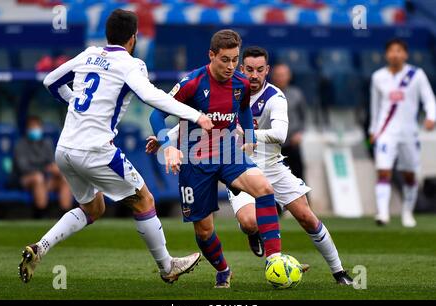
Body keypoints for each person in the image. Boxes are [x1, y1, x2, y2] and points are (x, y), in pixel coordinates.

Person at [18, 9, 214, 284]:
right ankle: (167, 266)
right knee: (144, 199)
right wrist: (196, 115)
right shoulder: (130, 64)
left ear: (107, 34)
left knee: (93, 209)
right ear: (133, 38)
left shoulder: (88, 54)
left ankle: (40, 247)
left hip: (65, 149)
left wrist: (74, 101)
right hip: (96, 151)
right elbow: (150, 96)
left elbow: (50, 81)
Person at [148, 30, 290, 289]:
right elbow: (156, 116)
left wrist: (248, 136)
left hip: (228, 153)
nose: (231, 66)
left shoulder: (241, 83)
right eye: (225, 59)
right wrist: (167, 146)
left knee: (265, 190)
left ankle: (274, 260)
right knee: (203, 231)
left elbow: (245, 108)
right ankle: (223, 270)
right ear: (211, 55)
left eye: (235, 59)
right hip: (194, 161)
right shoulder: (191, 83)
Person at [224, 46, 352, 285]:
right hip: (240, 167)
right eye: (249, 69)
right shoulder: (228, 93)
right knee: (250, 222)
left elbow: (281, 134)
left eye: (259, 70)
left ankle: (339, 272)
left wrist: (250, 134)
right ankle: (254, 233)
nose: (254, 75)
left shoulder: (275, 96)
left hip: (272, 165)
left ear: (267, 70)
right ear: (242, 69)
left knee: (307, 217)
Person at [369, 38, 435, 227]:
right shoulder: (378, 77)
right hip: (386, 132)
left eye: (399, 51)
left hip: (409, 132)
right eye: (391, 50)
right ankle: (382, 213)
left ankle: (407, 212)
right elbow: (375, 106)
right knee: (383, 171)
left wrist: (431, 116)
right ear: (386, 54)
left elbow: (429, 100)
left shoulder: (416, 75)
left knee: (410, 175)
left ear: (405, 54)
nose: (395, 54)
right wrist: (373, 130)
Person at [14, 116, 72, 217]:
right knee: (38, 178)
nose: (35, 129)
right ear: (27, 129)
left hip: (47, 178)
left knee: (64, 178)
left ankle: (65, 214)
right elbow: (23, 168)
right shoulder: (20, 144)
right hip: (27, 179)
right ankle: (41, 214)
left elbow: (52, 163)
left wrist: (55, 170)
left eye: (37, 127)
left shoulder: (47, 143)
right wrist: (45, 169)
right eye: (32, 127)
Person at [271, 63, 306, 180]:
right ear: (272, 76)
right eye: (278, 75)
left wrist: (300, 133)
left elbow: (303, 117)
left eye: (283, 75)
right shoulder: (267, 95)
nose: (281, 78)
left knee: (298, 178)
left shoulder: (297, 94)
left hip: (293, 145)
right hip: (273, 147)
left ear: (289, 76)